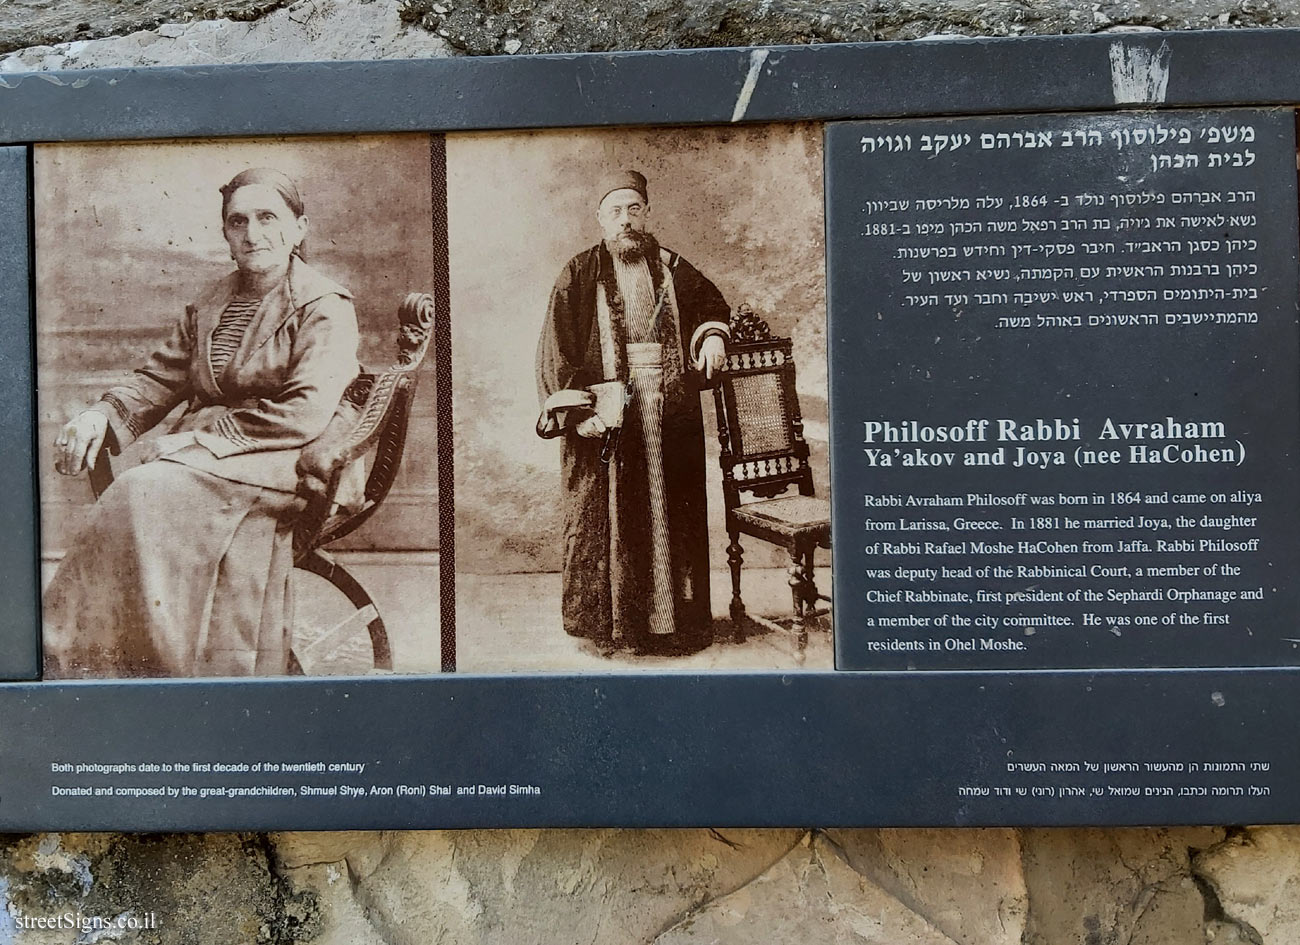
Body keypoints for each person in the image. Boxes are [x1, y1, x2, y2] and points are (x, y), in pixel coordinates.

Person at [45, 167, 362, 678]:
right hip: (218, 460)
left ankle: (139, 661)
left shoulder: (323, 305)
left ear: (299, 228)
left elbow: (305, 410)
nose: (253, 234)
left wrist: (197, 441)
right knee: (141, 491)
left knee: (138, 491)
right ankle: (101, 664)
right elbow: (156, 378)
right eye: (239, 222)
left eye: (268, 218)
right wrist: (97, 415)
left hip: (289, 456)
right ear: (226, 234)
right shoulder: (209, 305)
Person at [536, 170, 730, 654]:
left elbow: (711, 303)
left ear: (647, 214)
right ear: (601, 220)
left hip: (670, 407)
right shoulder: (579, 272)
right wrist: (578, 411)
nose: (626, 221)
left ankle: (671, 623)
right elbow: (556, 349)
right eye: (616, 212)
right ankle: (617, 626)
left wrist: (709, 336)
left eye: (634, 209)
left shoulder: (670, 266)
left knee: (670, 510)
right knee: (611, 513)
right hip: (607, 415)